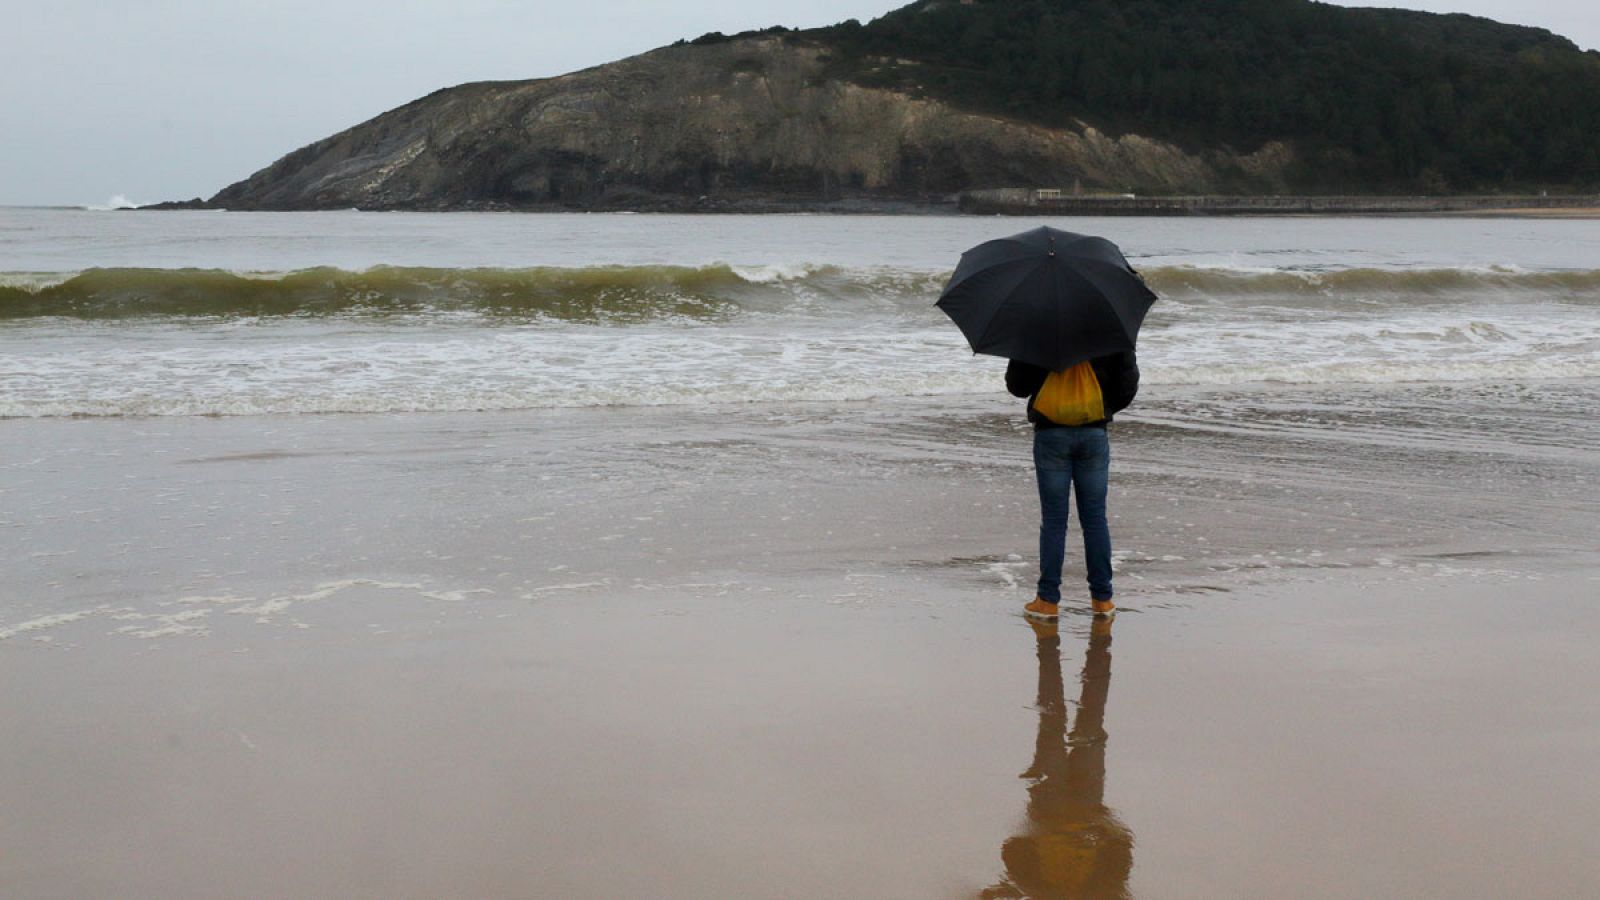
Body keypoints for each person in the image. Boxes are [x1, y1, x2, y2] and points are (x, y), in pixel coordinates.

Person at [1005, 350, 1139, 619]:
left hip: (1051, 434)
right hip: (1093, 433)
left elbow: (1017, 386)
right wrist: (1103, 405)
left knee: (1054, 520)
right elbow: (1127, 385)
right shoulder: (1111, 331)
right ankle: (1102, 600)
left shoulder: (1036, 330)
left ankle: (1047, 600)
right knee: (1095, 520)